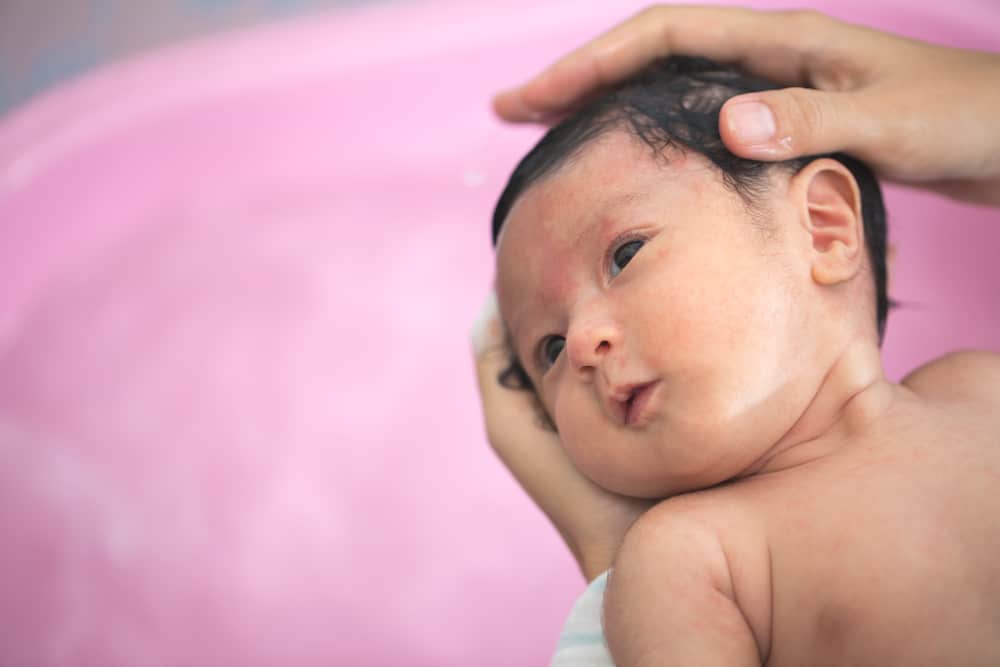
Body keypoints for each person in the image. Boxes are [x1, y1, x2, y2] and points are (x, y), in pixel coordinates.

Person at [473, 6, 1000, 666]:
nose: (581, 343)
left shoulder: (979, 386)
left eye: (625, 254)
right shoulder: (688, 558)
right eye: (546, 349)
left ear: (825, 227)